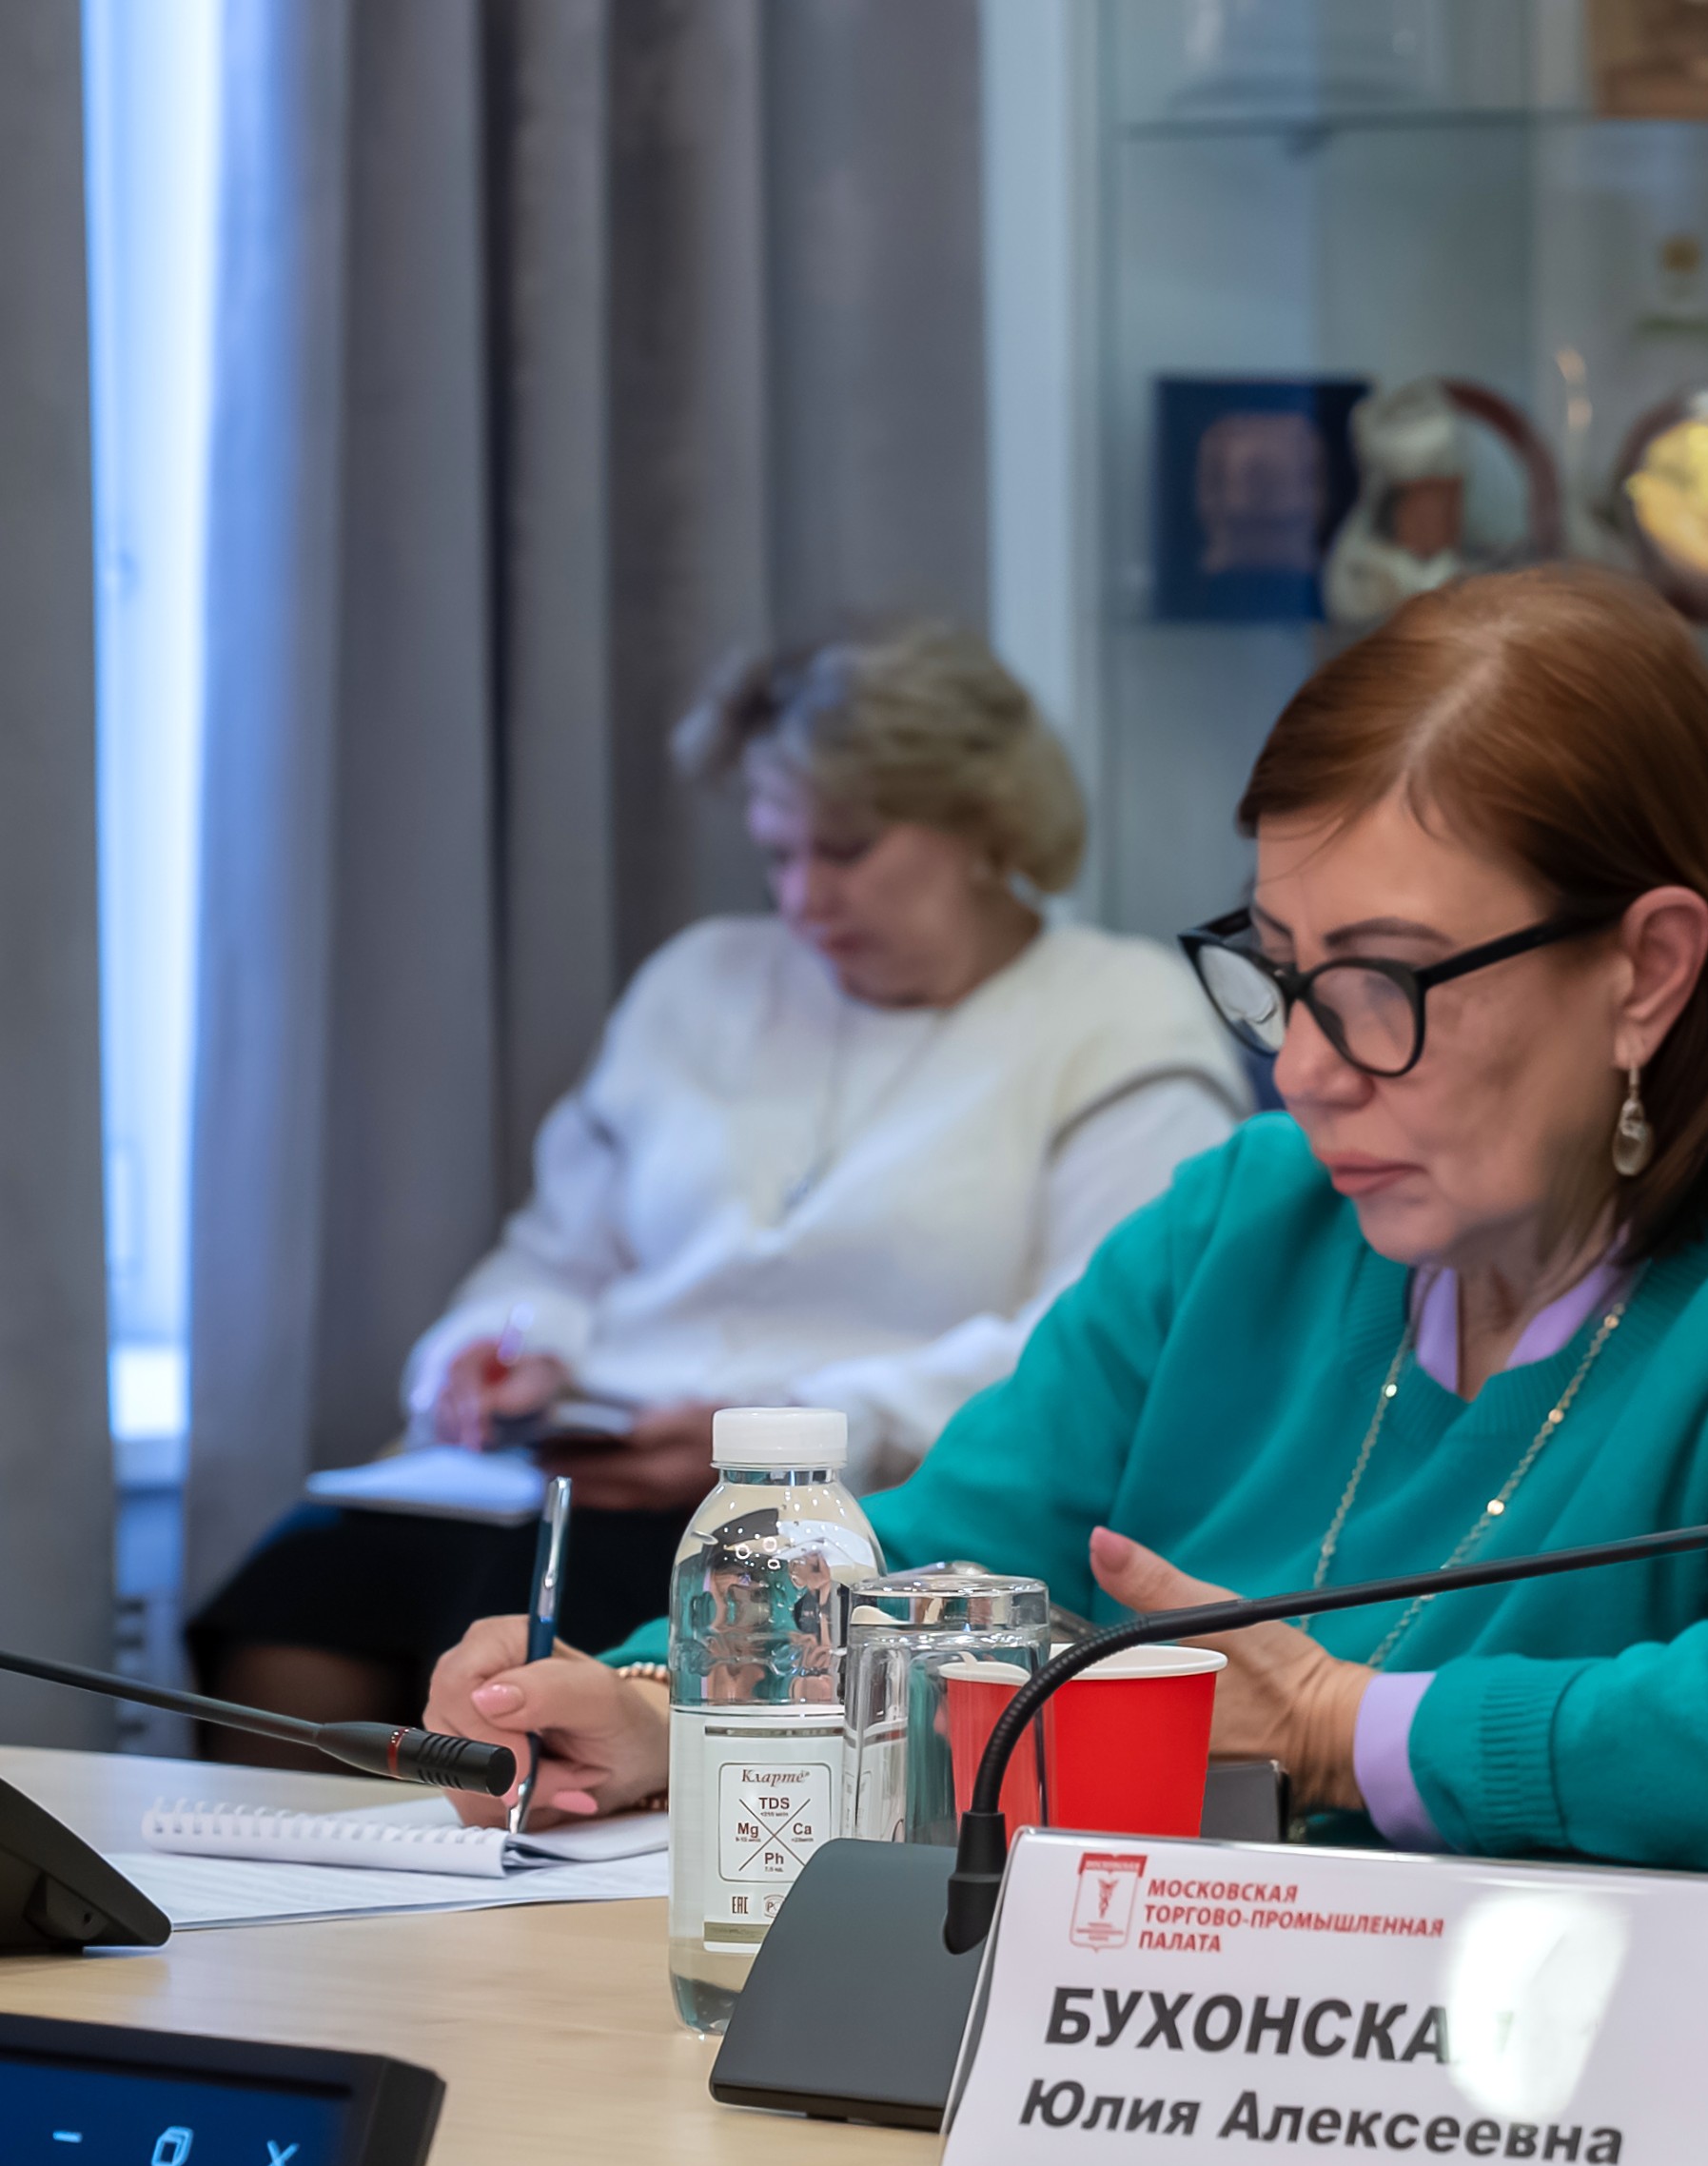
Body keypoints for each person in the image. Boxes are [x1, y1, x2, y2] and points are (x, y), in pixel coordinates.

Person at [422, 563, 1708, 1877]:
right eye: (1278, 973)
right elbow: (929, 1562)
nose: (1307, 1067)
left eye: (1384, 982)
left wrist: (1341, 1726)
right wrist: (659, 1699)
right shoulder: (1241, 1220)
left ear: (1646, 971)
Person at [195, 621, 1246, 1747]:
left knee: (549, 1638)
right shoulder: (698, 982)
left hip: (843, 1499)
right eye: (778, 854)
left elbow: (1082, 1342)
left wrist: (784, 1432)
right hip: (587, 1466)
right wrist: (498, 1349)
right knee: (292, 1602)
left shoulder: (1119, 1013)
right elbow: (554, 1257)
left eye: (844, 850)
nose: (802, 897)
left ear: (986, 824)